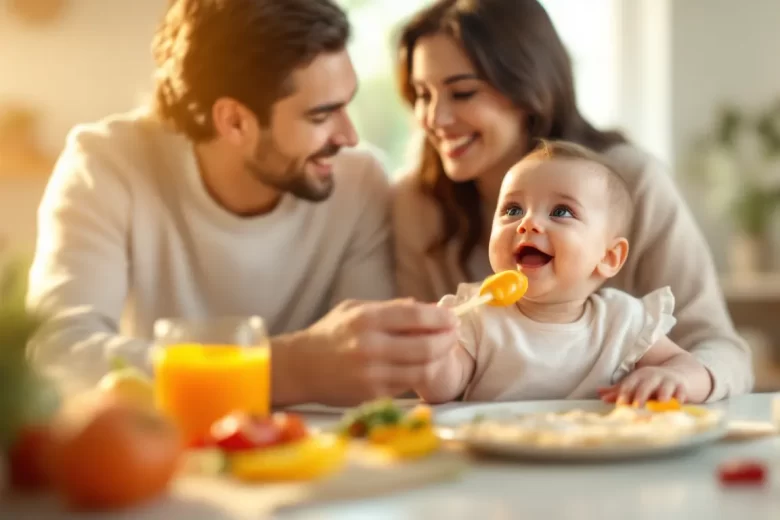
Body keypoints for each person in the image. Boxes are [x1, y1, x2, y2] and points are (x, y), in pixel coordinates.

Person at [25, 0, 458, 406]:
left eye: (347, 106)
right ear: (234, 121)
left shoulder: (360, 182)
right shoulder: (107, 164)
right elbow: (56, 355)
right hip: (168, 455)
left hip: (317, 461)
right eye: (320, 116)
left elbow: (369, 376)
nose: (348, 137)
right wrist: (284, 368)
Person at [392, 0, 752, 402]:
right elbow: (423, 382)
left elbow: (719, 349)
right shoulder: (418, 203)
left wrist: (681, 378)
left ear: (526, 89)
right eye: (422, 95)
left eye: (462, 92)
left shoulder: (631, 184)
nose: (434, 119)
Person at [414, 141, 713, 405]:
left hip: (596, 455)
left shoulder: (623, 322)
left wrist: (676, 379)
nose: (527, 223)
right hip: (500, 457)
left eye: (561, 212)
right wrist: (430, 354)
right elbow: (442, 389)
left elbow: (687, 365)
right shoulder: (477, 313)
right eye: (513, 210)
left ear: (609, 257)